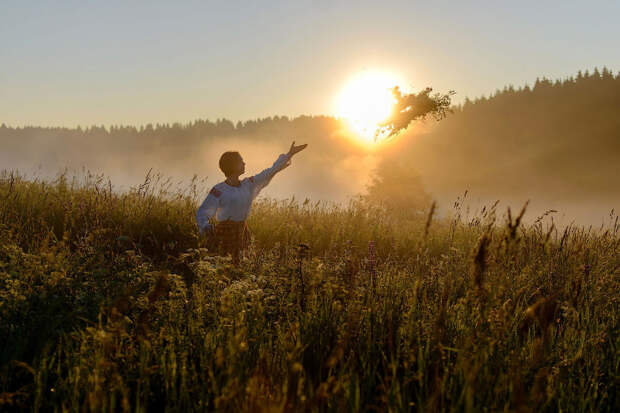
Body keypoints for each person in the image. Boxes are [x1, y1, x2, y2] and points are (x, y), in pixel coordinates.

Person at [196, 141, 307, 262]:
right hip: (224, 235)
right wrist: (206, 227)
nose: (244, 163)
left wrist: (289, 154)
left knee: (242, 266)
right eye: (241, 161)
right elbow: (203, 211)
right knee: (224, 267)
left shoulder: (247, 184)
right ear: (232, 165)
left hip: (242, 233)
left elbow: (270, 171)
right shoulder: (218, 190)